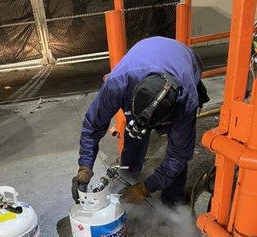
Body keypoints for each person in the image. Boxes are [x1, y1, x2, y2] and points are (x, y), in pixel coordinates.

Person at [72, 36, 209, 206]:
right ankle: (128, 178)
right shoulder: (117, 85)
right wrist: (85, 167)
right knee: (135, 135)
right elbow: (92, 126)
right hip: (143, 54)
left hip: (183, 58)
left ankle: (172, 200)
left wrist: (145, 189)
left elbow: (178, 156)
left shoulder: (186, 100)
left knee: (178, 148)